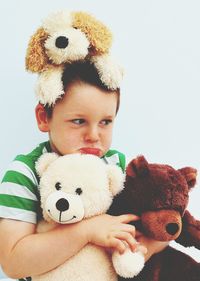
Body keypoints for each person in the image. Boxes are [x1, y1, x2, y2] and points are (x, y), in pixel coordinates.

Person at [0, 12, 168, 281]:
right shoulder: (25, 173)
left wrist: (138, 252)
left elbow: (160, 229)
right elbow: (12, 262)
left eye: (105, 122)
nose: (94, 135)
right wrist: (86, 230)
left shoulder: (116, 166)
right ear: (44, 118)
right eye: (78, 121)